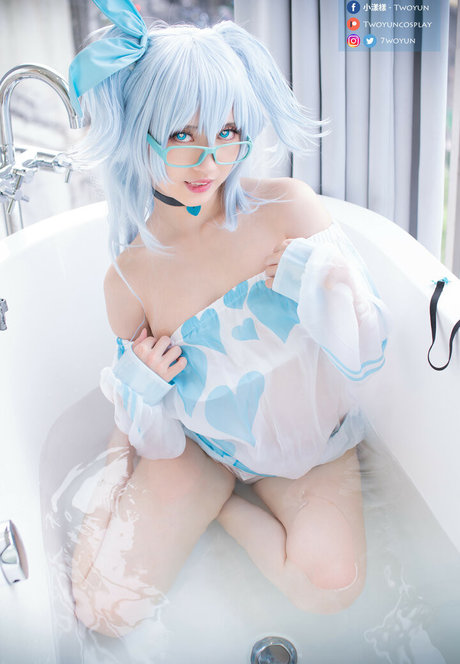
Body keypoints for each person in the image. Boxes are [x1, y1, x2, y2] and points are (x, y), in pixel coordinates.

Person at [69, 0, 388, 638]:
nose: (209, 161)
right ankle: (206, 489)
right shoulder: (129, 279)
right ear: (139, 131)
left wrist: (318, 280)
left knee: (332, 586)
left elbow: (369, 350)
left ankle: (223, 511)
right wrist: (141, 384)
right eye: (181, 135)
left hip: (312, 446)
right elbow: (154, 428)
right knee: (101, 612)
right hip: (205, 451)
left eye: (227, 131)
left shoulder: (287, 209)